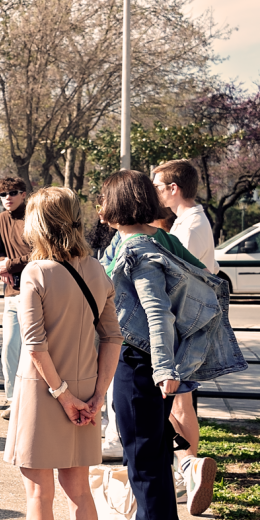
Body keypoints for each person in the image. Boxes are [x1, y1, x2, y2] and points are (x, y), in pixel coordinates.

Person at [3, 187, 123, 520]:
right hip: (85, 393)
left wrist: (62, 395)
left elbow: (35, 344)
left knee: (39, 493)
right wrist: (97, 396)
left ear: (37, 224)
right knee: (80, 492)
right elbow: (113, 336)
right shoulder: (97, 270)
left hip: (42, 393)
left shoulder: (36, 272)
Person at [97, 170, 209, 520]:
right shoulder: (153, 238)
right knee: (154, 458)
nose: (100, 206)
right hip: (150, 363)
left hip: (140, 365)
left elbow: (158, 312)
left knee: (144, 465)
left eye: (104, 199)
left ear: (118, 203)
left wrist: (164, 368)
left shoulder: (139, 248)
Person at [152, 159, 219, 515]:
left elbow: (174, 276)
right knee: (182, 402)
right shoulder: (191, 221)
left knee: (178, 402)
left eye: (159, 186)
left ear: (173, 189)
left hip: (182, 324)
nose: (156, 191)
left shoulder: (189, 226)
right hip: (188, 323)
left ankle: (189, 467)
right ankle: (189, 467)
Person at [0, 177, 31, 420]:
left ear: (24, 194)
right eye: (3, 194)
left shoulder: (34, 216)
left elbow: (40, 252)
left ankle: (32, 399)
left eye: (13, 192)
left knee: (33, 348)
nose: (8, 197)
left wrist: (11, 264)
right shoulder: (1, 219)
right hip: (11, 292)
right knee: (9, 347)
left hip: (34, 290)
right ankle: (13, 399)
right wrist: (0, 264)